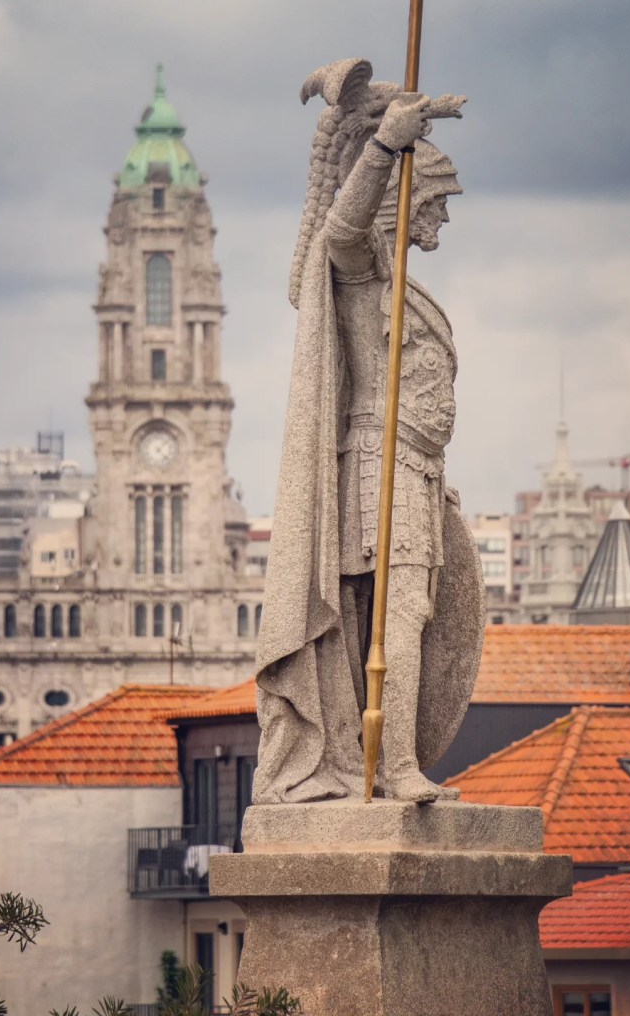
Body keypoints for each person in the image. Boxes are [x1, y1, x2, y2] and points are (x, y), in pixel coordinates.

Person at [252, 59, 482, 804]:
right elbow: (342, 228)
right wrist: (386, 147)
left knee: (393, 615)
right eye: (436, 203)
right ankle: (393, 764)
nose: (443, 218)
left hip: (415, 472)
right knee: (391, 615)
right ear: (403, 204)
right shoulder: (363, 271)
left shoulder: (413, 291)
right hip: (371, 467)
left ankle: (383, 759)